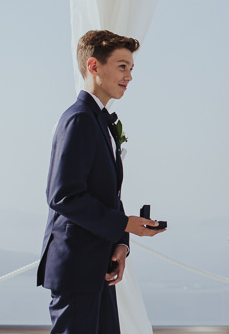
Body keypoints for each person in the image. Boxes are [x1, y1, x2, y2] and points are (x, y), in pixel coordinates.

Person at [37, 30, 165, 334]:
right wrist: (123, 225)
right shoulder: (79, 119)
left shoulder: (100, 120)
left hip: (98, 265)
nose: (129, 76)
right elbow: (63, 196)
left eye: (131, 68)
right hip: (77, 267)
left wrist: (121, 243)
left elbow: (108, 194)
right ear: (93, 66)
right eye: (122, 66)